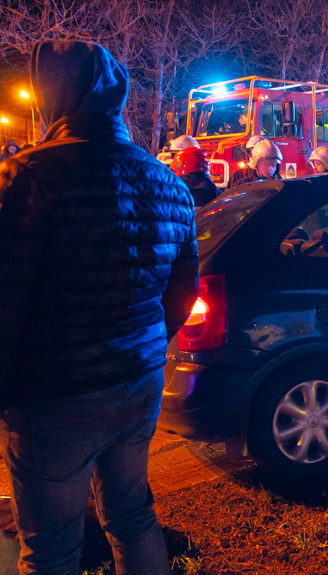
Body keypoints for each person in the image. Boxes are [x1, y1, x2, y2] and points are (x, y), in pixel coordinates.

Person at [0, 40, 198, 574]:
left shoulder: (28, 178)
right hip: (137, 383)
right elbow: (182, 292)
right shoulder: (170, 185)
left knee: (51, 547)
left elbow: (6, 302)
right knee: (132, 514)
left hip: (54, 397)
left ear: (54, 94)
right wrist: (146, 345)